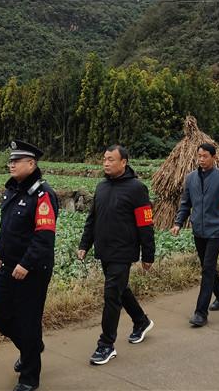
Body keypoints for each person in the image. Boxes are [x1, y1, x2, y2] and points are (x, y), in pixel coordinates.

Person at [0, 140, 59, 391]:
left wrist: (26, 263)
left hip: (32, 269)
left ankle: (30, 377)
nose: (11, 164)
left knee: (28, 321)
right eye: (10, 160)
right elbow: (9, 229)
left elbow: (44, 237)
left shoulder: (42, 195)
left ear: (31, 164)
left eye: (16, 161)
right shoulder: (12, 190)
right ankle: (32, 348)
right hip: (8, 265)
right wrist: (2, 254)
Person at [78, 144, 155, 366]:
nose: (106, 163)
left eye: (111, 159)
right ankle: (141, 321)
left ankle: (106, 344)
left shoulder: (137, 189)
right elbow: (92, 219)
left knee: (111, 295)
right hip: (105, 250)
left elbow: (145, 224)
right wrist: (85, 244)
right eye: (104, 159)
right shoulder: (101, 187)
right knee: (120, 289)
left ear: (124, 162)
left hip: (124, 251)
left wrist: (148, 254)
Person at [171, 143, 219, 327]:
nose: (201, 159)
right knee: (207, 266)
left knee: (207, 268)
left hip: (216, 230)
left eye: (205, 156)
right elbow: (185, 203)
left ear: (214, 157)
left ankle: (201, 312)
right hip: (198, 230)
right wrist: (178, 223)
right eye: (199, 156)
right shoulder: (190, 178)